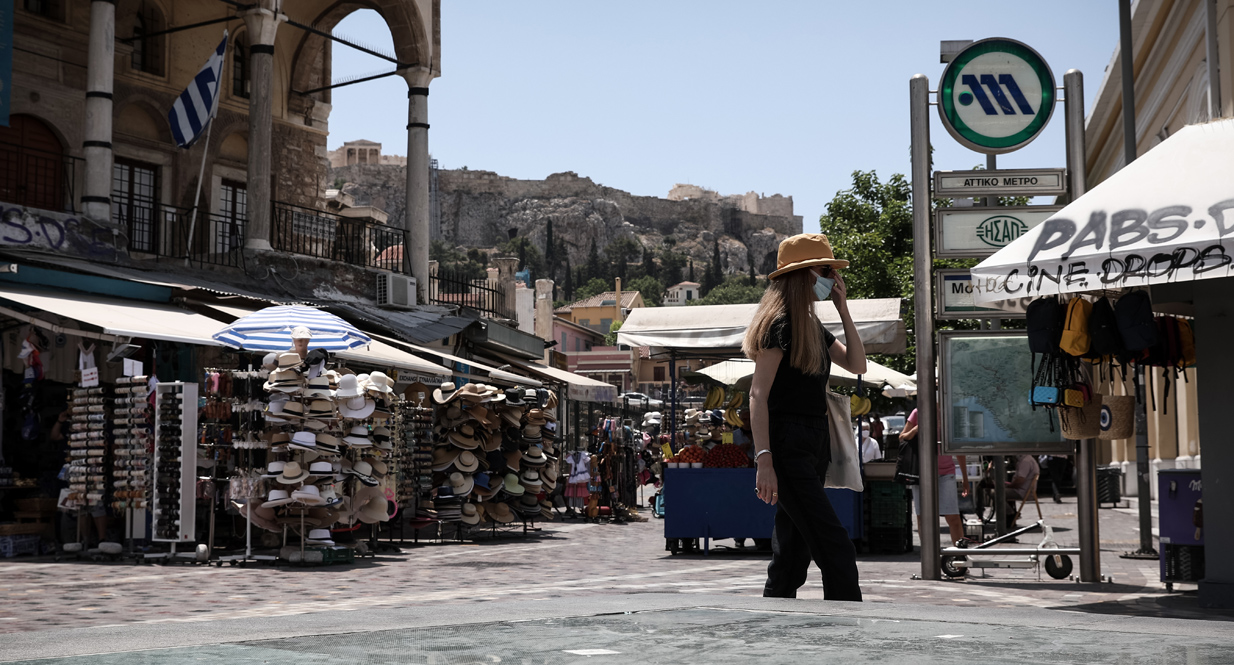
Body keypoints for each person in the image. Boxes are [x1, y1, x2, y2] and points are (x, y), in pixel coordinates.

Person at [744, 233, 865, 601]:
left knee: (793, 555)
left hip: (814, 442)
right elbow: (757, 395)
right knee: (835, 546)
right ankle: (848, 634)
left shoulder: (813, 326)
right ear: (803, 275)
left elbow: (857, 364)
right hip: (786, 443)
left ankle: (774, 627)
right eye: (826, 270)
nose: (832, 277)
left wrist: (844, 310)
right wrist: (764, 459)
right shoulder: (777, 325)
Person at [900, 408, 970, 546]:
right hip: (921, 472)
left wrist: (965, 477)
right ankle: (929, 557)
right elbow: (902, 437)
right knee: (923, 518)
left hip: (946, 472)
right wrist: (916, 429)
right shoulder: (918, 412)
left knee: (953, 517)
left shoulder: (950, 413)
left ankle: (960, 557)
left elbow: (958, 449)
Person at [1005, 454, 1041, 527]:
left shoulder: (1026, 461)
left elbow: (1020, 480)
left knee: (996, 493)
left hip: (1022, 491)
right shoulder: (1028, 459)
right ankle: (1010, 515)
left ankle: (1010, 513)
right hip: (1023, 490)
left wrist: (1010, 485)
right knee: (1003, 491)